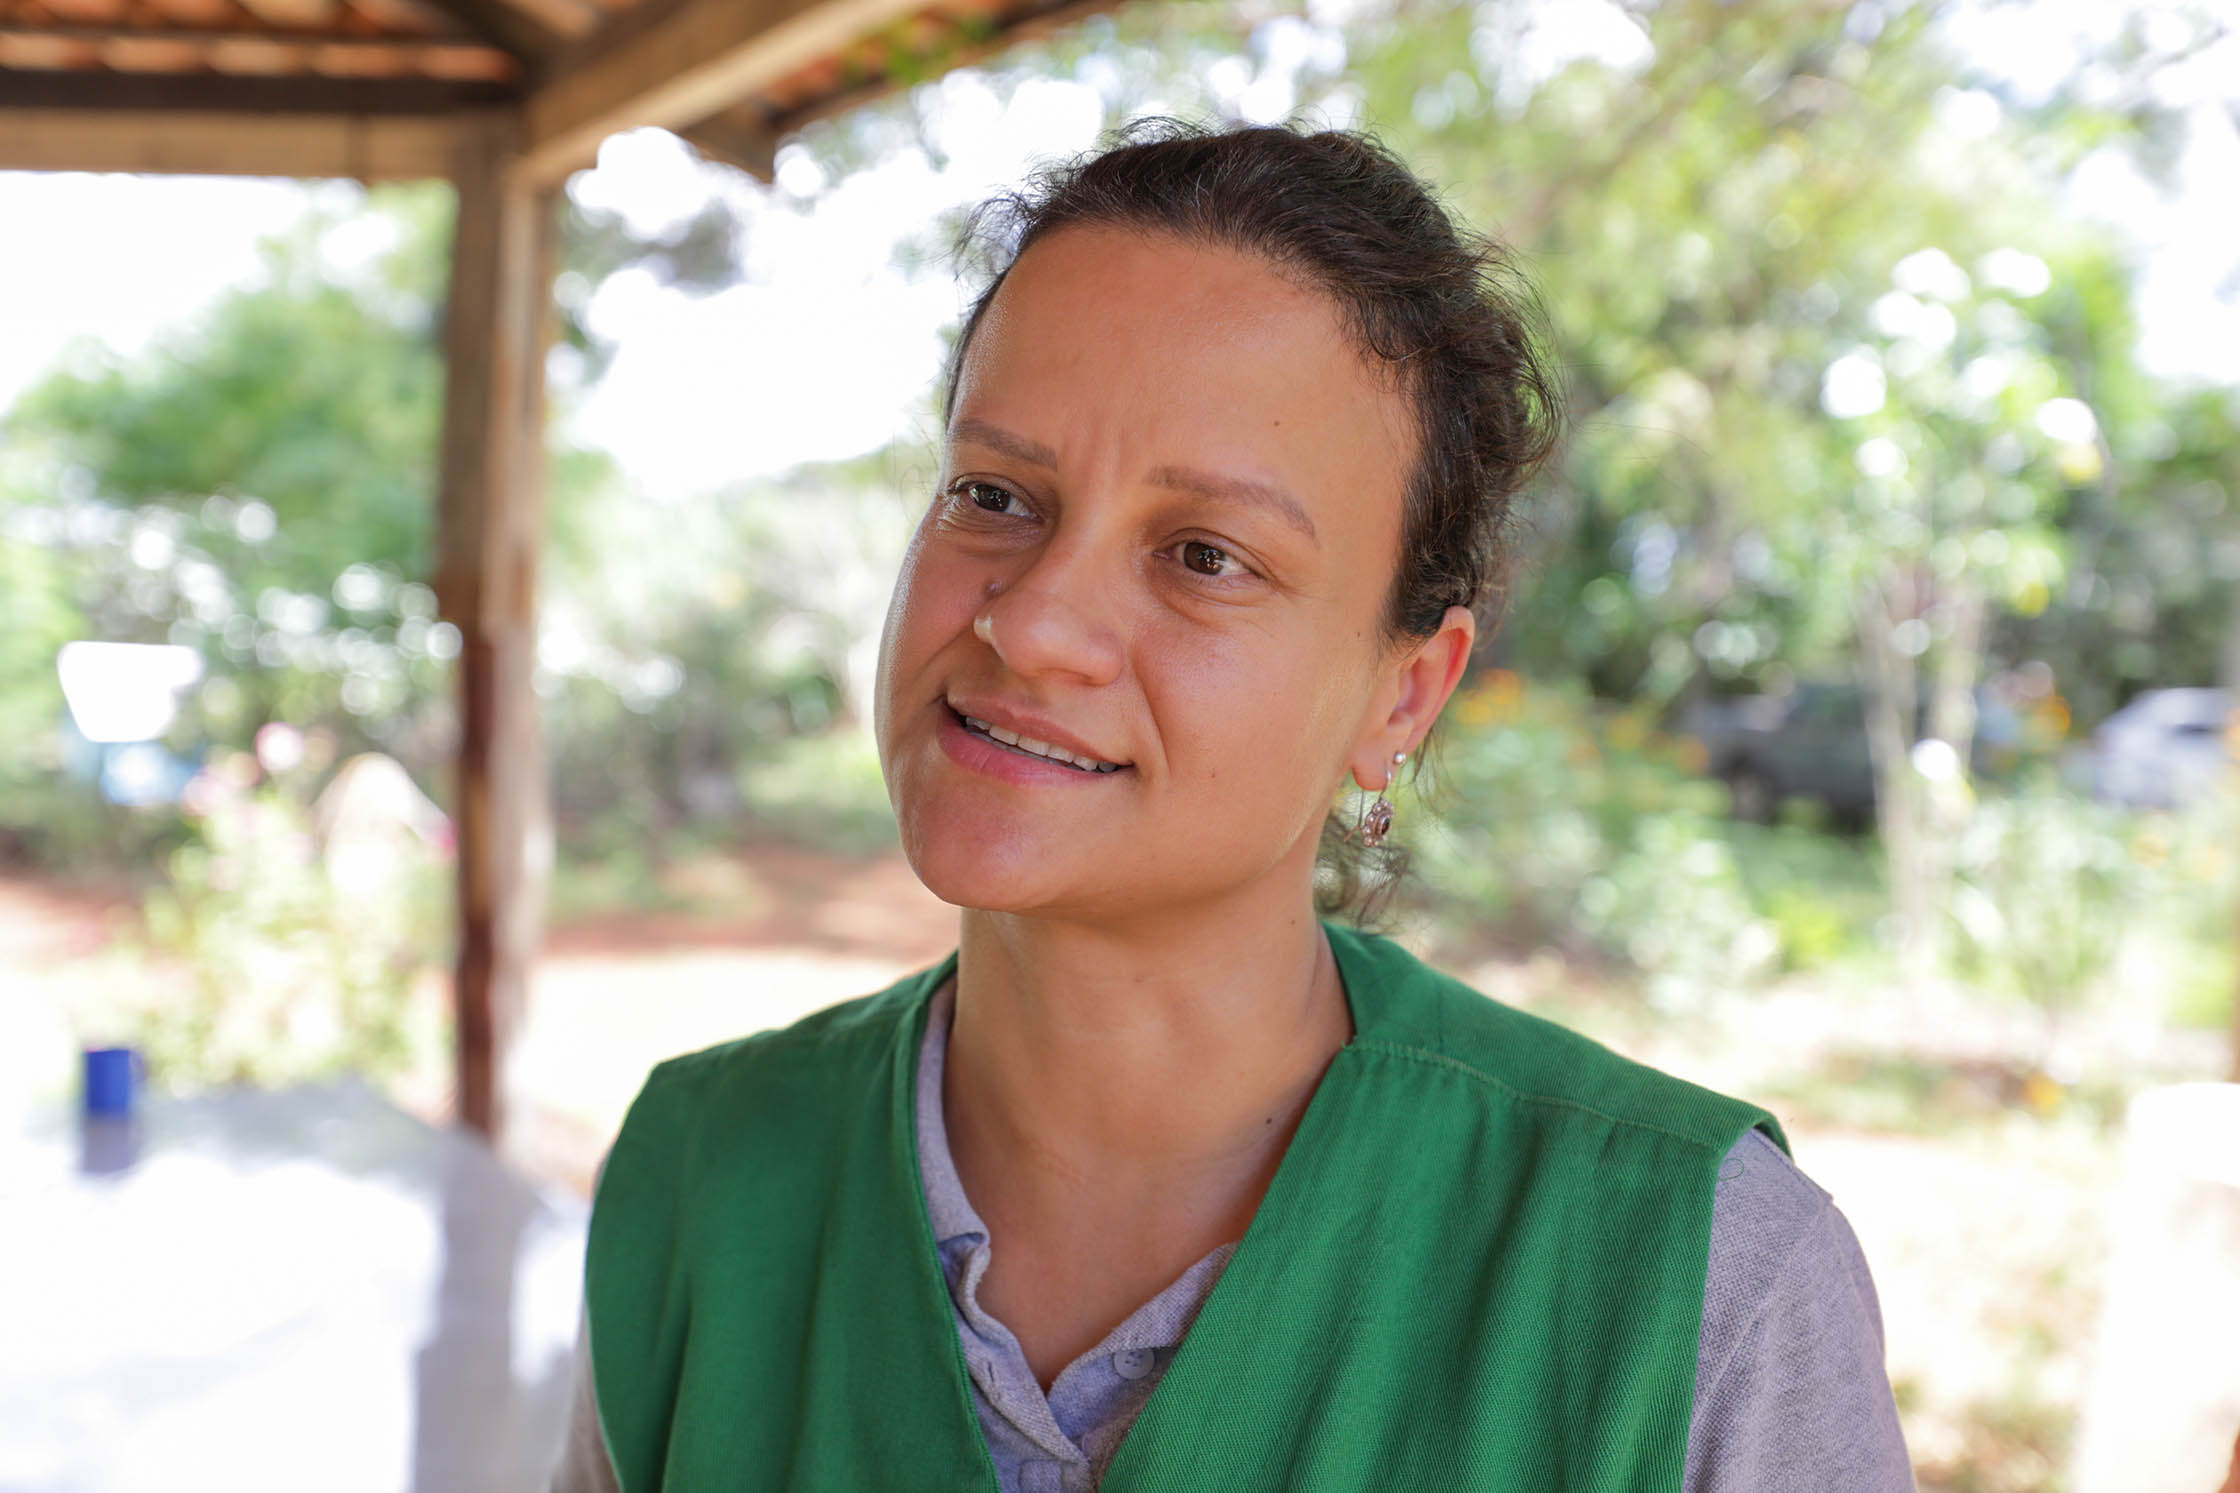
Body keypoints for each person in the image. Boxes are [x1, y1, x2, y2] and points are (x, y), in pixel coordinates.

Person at [553, 120, 1913, 1492]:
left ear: (1403, 695)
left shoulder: (1695, 1287)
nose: (1033, 623)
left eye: (1204, 555)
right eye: (995, 494)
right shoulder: (702, 1178)